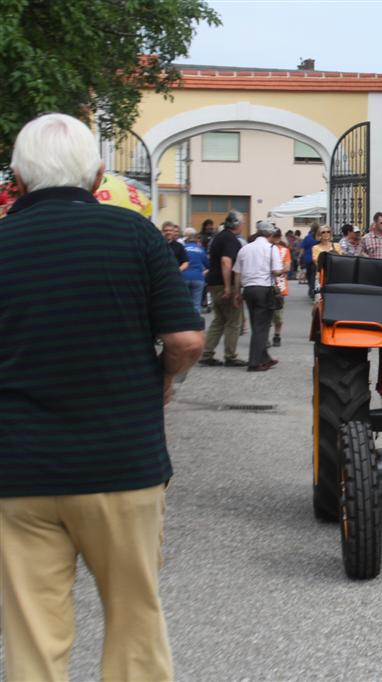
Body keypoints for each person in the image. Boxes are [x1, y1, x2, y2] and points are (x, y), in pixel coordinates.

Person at [0, 112, 204, 681]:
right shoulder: (135, 235)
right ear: (96, 178)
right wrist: (164, 377)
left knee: (32, 634)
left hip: (17, 473)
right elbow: (186, 339)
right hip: (122, 465)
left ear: (16, 179)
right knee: (134, 621)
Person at [233, 220, 285, 372]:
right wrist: (283, 269)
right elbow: (276, 271)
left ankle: (265, 358)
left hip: (248, 290)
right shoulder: (271, 248)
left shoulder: (245, 249)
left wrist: (237, 293)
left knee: (257, 324)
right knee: (262, 327)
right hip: (264, 289)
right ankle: (254, 363)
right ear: (269, 234)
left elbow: (237, 272)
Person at [199, 210, 246, 367]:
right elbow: (226, 262)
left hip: (213, 283)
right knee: (233, 320)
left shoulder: (219, 237)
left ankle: (206, 353)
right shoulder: (231, 240)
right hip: (224, 283)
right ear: (236, 224)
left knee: (219, 320)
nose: (243, 226)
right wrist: (228, 287)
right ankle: (230, 356)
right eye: (242, 223)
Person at [182, 226, 209, 316]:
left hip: (184, 277)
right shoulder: (200, 250)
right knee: (196, 305)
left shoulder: (182, 248)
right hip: (198, 278)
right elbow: (208, 265)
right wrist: (204, 273)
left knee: (185, 303)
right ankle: (195, 325)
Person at [271, 228, 291, 347]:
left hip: (280, 285)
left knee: (278, 314)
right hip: (268, 284)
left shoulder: (284, 250)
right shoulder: (266, 249)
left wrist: (276, 271)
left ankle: (277, 335)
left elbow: (287, 267)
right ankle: (265, 336)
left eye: (278, 236)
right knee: (267, 313)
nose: (276, 239)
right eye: (275, 236)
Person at [301, 223, 318, 297]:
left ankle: (311, 288)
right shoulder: (318, 238)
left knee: (309, 274)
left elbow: (302, 249)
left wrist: (300, 257)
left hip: (307, 259)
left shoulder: (307, 237)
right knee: (314, 275)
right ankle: (312, 289)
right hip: (316, 259)